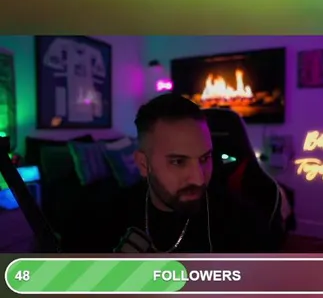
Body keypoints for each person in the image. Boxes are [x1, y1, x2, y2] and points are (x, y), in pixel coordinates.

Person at [70, 94, 279, 253]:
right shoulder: (99, 222)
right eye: (178, 162)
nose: (198, 178)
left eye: (205, 158)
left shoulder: (243, 222)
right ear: (143, 164)